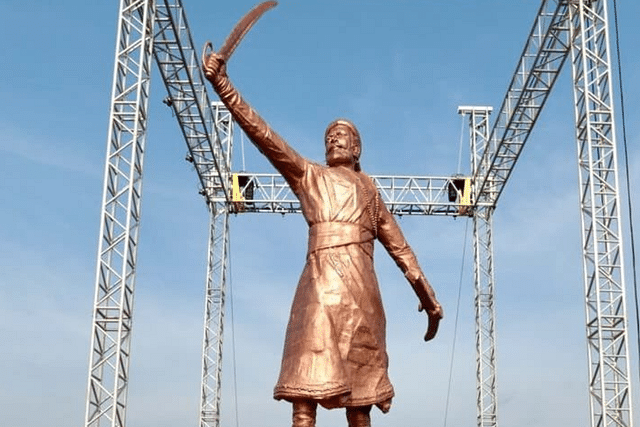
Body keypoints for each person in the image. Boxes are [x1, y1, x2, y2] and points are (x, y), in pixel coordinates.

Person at [203, 51, 443, 427]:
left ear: (357, 149)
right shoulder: (308, 176)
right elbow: (263, 135)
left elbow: (400, 247)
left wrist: (427, 297)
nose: (334, 139)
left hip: (362, 294)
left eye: (342, 136)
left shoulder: (370, 191)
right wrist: (223, 85)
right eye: (329, 136)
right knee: (304, 393)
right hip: (318, 285)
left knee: (360, 399)